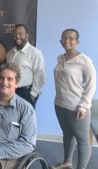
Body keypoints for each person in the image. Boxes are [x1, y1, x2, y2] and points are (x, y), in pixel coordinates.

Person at [51, 29, 96, 169]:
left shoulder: (84, 61)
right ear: (60, 41)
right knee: (67, 134)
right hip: (59, 104)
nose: (67, 41)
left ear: (78, 41)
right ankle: (67, 162)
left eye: (71, 38)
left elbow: (91, 84)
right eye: (64, 38)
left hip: (77, 107)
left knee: (82, 141)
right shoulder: (61, 58)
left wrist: (84, 106)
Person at [6, 24, 45, 108]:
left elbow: (40, 75)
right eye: (15, 34)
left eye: (21, 33)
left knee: (25, 120)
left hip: (26, 93)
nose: (17, 36)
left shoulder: (35, 53)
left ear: (27, 35)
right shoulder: (9, 54)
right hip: (10, 92)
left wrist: (33, 95)